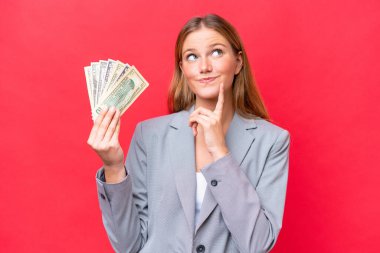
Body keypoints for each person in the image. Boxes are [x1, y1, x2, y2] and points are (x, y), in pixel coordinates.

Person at [87, 14, 290, 253]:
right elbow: (129, 245)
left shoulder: (272, 141)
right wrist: (113, 168)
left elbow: (258, 244)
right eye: (192, 57)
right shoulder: (149, 135)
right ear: (183, 69)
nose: (204, 67)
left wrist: (220, 154)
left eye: (216, 52)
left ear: (238, 62)